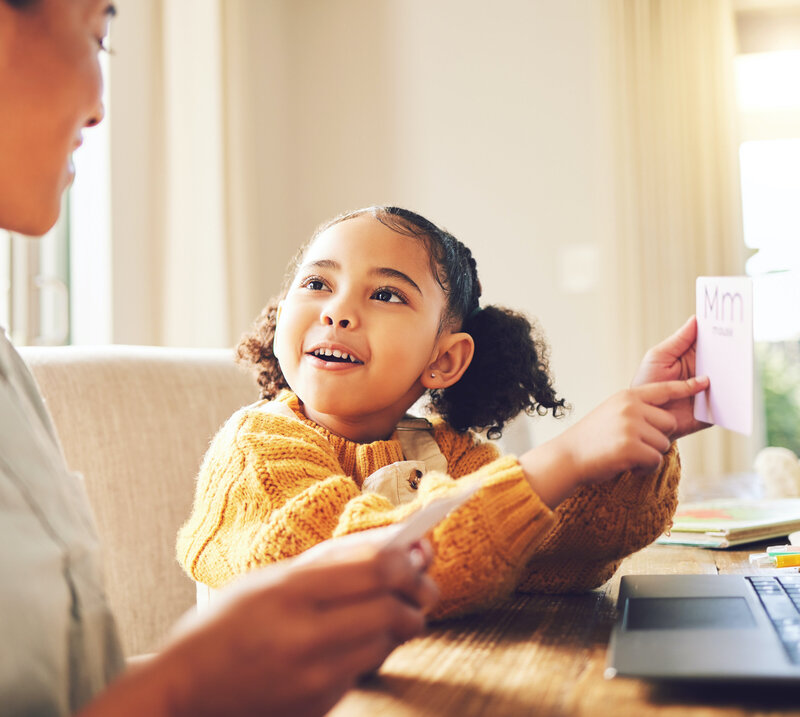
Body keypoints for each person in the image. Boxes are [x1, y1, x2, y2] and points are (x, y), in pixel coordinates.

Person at [0, 2, 438, 716]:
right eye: (96, 36)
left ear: (444, 359)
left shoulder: (9, 375)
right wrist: (185, 684)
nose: (100, 108)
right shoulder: (257, 447)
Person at [177, 205, 710, 618]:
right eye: (318, 284)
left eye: (385, 294)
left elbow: (563, 553)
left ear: (444, 359)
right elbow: (354, 574)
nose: (338, 311)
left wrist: (641, 438)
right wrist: (562, 456)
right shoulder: (257, 449)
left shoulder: (443, 452)